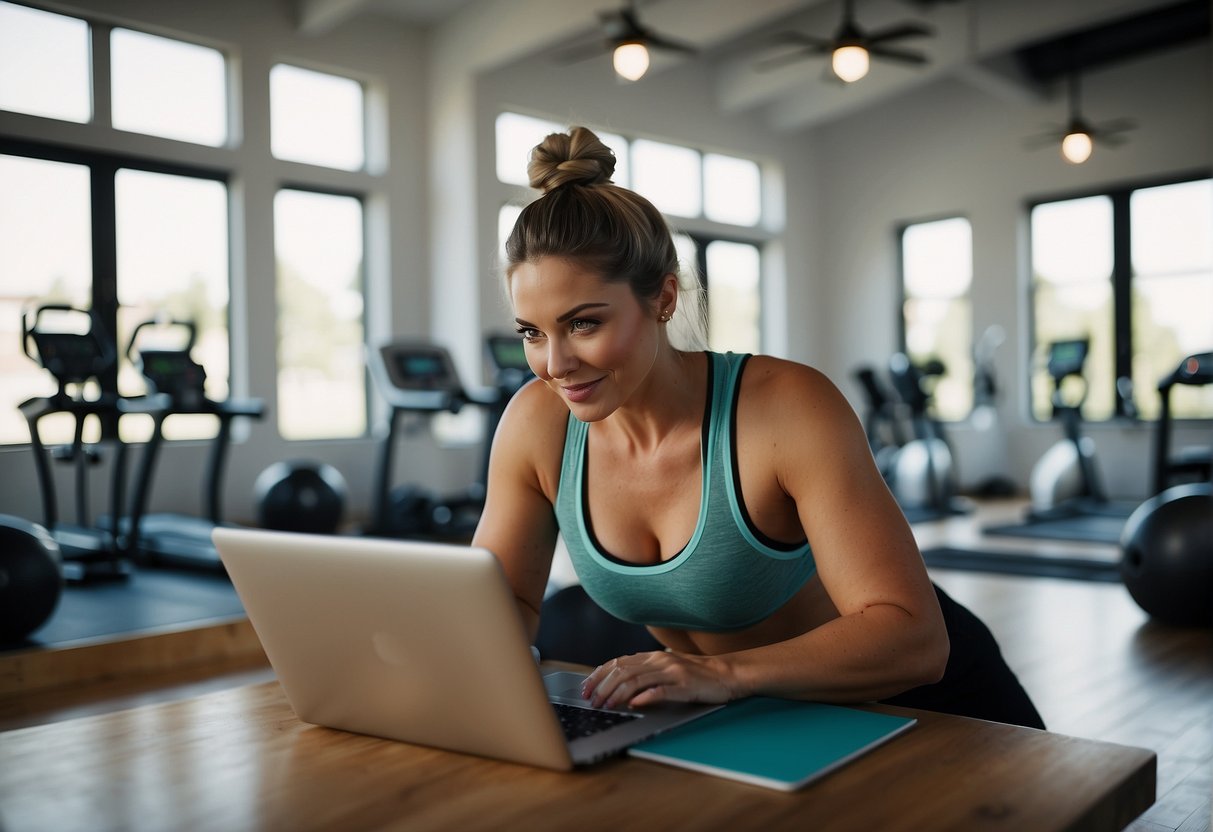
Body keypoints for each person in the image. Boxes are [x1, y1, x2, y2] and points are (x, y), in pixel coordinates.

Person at [471, 125, 1044, 730]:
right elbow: (502, 603)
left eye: (583, 324)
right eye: (532, 332)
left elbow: (915, 640)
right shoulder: (538, 424)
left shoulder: (785, 409)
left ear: (662, 298)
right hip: (741, 710)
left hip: (917, 703)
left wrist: (721, 674)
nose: (554, 364)